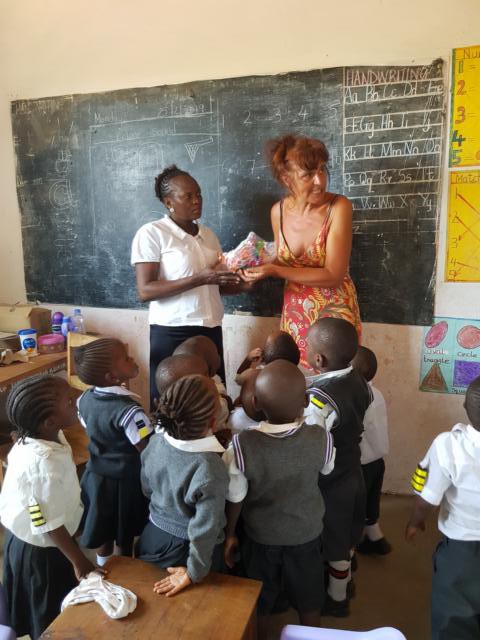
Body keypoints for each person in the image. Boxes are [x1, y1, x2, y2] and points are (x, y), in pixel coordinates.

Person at [224, 360, 335, 631]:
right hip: (306, 536)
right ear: (305, 402)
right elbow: (326, 469)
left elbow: (236, 496)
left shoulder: (241, 445)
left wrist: (230, 534)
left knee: (260, 602)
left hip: (261, 538)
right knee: (310, 604)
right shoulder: (321, 438)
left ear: (255, 402)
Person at [240, 134, 361, 368]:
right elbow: (281, 260)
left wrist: (274, 271)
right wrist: (250, 268)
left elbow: (333, 275)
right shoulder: (278, 212)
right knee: (293, 380)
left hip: (333, 319)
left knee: (331, 380)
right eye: (308, 175)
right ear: (286, 179)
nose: (320, 181)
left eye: (322, 170)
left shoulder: (338, 207)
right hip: (295, 312)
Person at [0, 375, 106, 639]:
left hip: (38, 539)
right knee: (49, 615)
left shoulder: (39, 436)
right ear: (49, 421)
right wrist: (79, 561)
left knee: (44, 604)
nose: (77, 400)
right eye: (70, 401)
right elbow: (46, 521)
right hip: (41, 551)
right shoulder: (42, 465)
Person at [131, 165, 241, 408]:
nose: (196, 200)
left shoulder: (208, 235)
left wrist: (244, 282)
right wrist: (199, 278)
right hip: (172, 332)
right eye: (188, 196)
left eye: (199, 194)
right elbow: (145, 290)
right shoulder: (152, 233)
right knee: (173, 404)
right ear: (168, 202)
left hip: (210, 329)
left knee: (214, 402)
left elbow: (216, 285)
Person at [136, 374, 229, 597]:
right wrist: (194, 572)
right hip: (189, 550)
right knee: (197, 602)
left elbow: (147, 488)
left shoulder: (156, 442)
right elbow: (206, 526)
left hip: (153, 535)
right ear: (213, 422)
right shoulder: (210, 466)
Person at [305, 317, 371, 617]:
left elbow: (312, 438)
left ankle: (337, 599)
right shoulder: (359, 380)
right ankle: (346, 577)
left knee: (334, 539)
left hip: (331, 480)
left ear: (318, 359)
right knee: (348, 530)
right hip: (354, 469)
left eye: (308, 345)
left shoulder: (319, 400)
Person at [406, 376, 480, 640]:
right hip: (464, 550)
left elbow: (428, 496)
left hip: (462, 551)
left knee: (455, 617)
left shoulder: (449, 444)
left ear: (464, 405)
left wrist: (416, 521)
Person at [74, 338, 153, 564]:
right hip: (125, 482)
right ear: (112, 377)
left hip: (96, 477)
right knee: (124, 535)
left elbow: (91, 427)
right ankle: (124, 572)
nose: (133, 359)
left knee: (104, 529)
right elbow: (146, 450)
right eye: (126, 359)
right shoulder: (130, 412)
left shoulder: (84, 399)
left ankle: (104, 570)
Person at [352, 345, 391, 555]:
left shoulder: (356, 397)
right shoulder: (377, 393)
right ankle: (376, 537)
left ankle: (348, 552)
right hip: (377, 460)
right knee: (371, 499)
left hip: (360, 464)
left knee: (354, 506)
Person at [235, 329, 300, 386]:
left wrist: (247, 359)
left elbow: (238, 378)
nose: (263, 348)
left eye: (266, 346)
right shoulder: (298, 376)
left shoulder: (256, 374)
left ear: (265, 357)